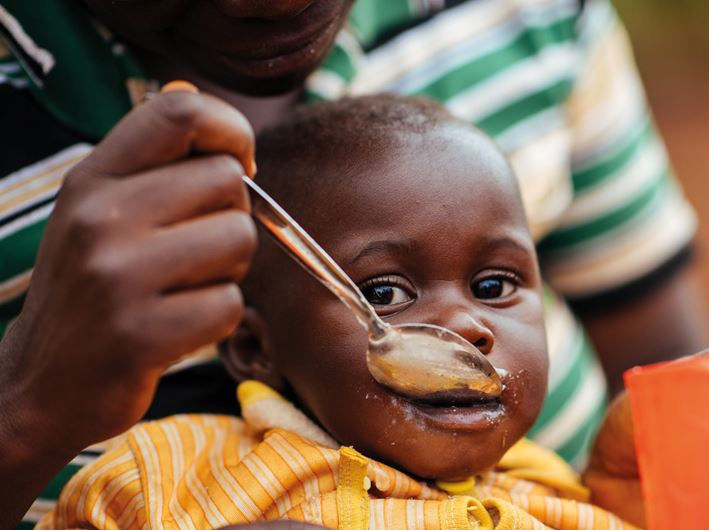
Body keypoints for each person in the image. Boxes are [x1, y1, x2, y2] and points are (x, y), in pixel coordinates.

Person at [39, 94, 641, 530]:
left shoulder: (560, 499)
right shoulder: (164, 476)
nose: (465, 325)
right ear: (257, 349)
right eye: (384, 295)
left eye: (492, 284)